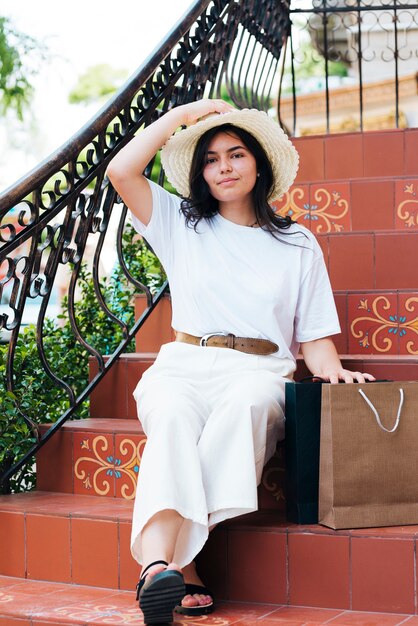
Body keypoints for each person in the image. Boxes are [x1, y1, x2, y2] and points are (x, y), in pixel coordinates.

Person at [106, 99, 375, 624]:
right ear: (200, 173)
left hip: (259, 370)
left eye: (236, 154)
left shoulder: (297, 244)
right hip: (185, 362)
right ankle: (164, 567)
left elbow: (315, 339)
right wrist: (182, 115)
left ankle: (166, 568)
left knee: (246, 408)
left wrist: (335, 372)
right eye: (209, 159)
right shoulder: (180, 224)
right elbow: (121, 170)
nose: (224, 167)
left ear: (259, 165)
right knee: (174, 419)